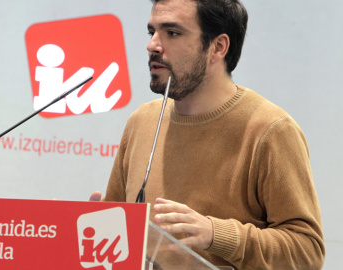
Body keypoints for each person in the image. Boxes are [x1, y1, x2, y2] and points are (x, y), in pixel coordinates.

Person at [90, 0, 325, 269]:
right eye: (152, 32)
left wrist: (216, 235)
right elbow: (117, 241)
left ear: (218, 47)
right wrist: (95, 226)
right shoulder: (142, 121)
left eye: (172, 33)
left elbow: (308, 252)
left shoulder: (270, 130)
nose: (153, 45)